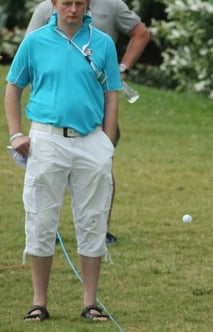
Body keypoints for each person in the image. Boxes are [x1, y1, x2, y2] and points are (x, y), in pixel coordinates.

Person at [6, 0, 121, 322]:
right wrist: (16, 135)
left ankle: (90, 302)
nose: (73, 9)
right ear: (54, 4)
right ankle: (39, 302)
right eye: (67, 2)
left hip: (91, 141)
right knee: (41, 220)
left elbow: (112, 94)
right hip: (46, 140)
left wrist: (107, 142)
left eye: (80, 3)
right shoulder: (35, 41)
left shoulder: (103, 43)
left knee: (93, 220)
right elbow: (13, 88)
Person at [27, 0, 151, 245]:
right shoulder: (45, 8)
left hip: (98, 105)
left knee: (101, 164)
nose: (74, 8)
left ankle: (100, 228)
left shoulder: (113, 5)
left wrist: (122, 67)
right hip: (54, 113)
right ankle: (47, 227)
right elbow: (32, 51)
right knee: (52, 167)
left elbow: (141, 33)